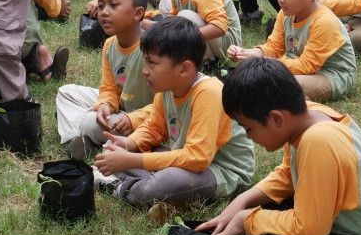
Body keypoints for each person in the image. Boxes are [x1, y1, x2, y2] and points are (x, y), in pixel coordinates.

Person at [196, 58, 361, 235]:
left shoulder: (319, 140)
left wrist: (247, 220)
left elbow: (310, 228)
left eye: (248, 128)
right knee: (265, 211)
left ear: (276, 119)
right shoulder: (305, 115)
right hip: (346, 230)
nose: (248, 136)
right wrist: (242, 201)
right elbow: (288, 176)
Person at [94, 17, 255, 207]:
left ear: (184, 69)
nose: (145, 71)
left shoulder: (209, 92)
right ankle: (171, 198)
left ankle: (122, 189)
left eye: (152, 63)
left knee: (169, 180)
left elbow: (198, 158)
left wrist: (132, 161)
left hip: (220, 170)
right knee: (115, 147)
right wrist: (128, 144)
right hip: (185, 159)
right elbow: (154, 129)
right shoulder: (166, 90)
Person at [56, 0, 155, 159]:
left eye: (113, 5)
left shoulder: (153, 50)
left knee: (90, 123)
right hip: (121, 107)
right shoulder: (110, 45)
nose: (104, 12)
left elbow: (166, 104)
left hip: (146, 119)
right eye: (100, 6)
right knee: (66, 92)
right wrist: (104, 105)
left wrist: (133, 119)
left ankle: (81, 130)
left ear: (138, 13)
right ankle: (76, 140)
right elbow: (109, 88)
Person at [228, 0, 355, 102]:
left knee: (277, 84)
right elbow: (274, 47)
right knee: (258, 78)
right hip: (303, 70)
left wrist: (264, 61)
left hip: (331, 76)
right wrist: (253, 53)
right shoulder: (285, 13)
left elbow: (307, 66)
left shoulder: (323, 20)